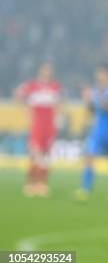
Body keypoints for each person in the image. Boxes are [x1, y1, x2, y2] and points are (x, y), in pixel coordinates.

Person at [75, 64, 108, 205]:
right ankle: (85, 189)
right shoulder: (95, 91)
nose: (99, 77)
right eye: (98, 74)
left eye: (102, 73)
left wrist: (102, 98)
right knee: (89, 158)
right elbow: (92, 110)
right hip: (98, 131)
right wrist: (87, 101)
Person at [13, 62, 62, 197]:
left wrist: (59, 119)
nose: (47, 73)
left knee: (46, 157)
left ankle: (42, 185)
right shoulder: (32, 86)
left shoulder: (55, 86)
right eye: (45, 70)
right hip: (37, 126)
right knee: (35, 154)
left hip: (50, 126)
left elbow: (59, 104)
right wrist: (26, 112)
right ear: (40, 71)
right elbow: (17, 95)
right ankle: (30, 183)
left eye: (49, 70)